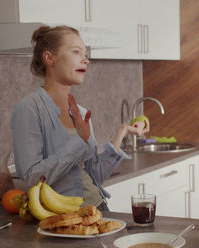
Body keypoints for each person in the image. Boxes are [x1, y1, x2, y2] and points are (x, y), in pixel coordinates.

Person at [11, 25, 148, 213]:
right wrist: (79, 141)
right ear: (49, 58)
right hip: (62, 219)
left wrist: (122, 131)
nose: (86, 60)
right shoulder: (29, 109)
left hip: (98, 209)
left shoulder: (82, 113)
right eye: (76, 52)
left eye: (85, 53)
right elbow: (32, 178)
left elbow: (94, 176)